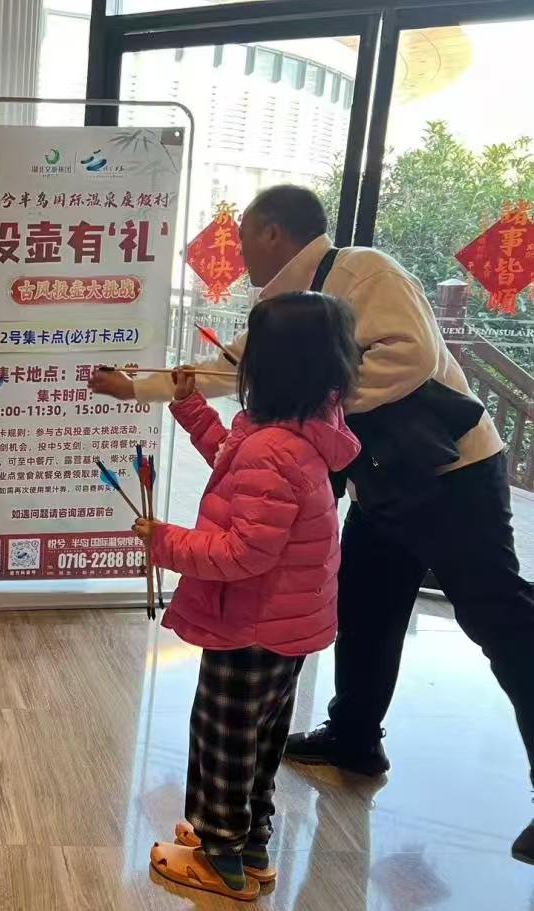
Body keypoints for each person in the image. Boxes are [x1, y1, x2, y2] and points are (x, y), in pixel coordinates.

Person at [91, 184, 534, 864]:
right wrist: (141, 387)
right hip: (380, 474)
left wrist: (303, 401)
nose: (236, 248)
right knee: (365, 606)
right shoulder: (289, 311)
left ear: (271, 231)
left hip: (453, 473)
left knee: (499, 619)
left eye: (243, 231)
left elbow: (410, 357)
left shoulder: (363, 272)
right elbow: (230, 368)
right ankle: (353, 737)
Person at [137, 292, 360, 901]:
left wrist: (166, 542)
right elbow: (231, 460)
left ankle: (220, 855)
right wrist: (190, 407)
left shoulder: (271, 447)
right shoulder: (303, 431)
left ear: (268, 368)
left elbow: (242, 554)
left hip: (250, 625)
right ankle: (250, 843)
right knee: (259, 737)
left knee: (225, 737)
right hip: (287, 624)